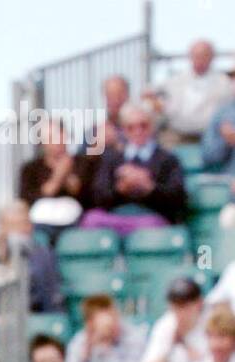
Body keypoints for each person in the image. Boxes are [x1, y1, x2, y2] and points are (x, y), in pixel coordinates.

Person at [80, 104, 187, 233]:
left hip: (150, 218)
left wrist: (150, 188)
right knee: (91, 220)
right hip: (116, 217)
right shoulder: (112, 159)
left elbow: (178, 200)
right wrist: (120, 189)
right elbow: (97, 197)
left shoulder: (168, 159)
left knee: (153, 226)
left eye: (143, 125)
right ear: (124, 130)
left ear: (152, 126)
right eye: (131, 127)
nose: (138, 131)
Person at [144, 40, 234, 148]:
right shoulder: (176, 79)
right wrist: (157, 104)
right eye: (196, 56)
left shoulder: (224, 83)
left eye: (204, 56)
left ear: (212, 57)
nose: (200, 60)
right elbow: (147, 92)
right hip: (177, 134)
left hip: (210, 137)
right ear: (190, 57)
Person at [18, 122, 91, 231]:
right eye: (51, 138)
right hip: (40, 221)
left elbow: (84, 195)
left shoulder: (82, 162)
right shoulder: (30, 168)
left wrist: (67, 174)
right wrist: (58, 176)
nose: (57, 142)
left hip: (72, 221)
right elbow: (28, 199)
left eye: (59, 136)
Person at [138, 275, 208, 362]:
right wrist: (169, 346)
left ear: (199, 303)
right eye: (176, 306)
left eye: (184, 306)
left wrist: (190, 349)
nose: (180, 313)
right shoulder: (165, 326)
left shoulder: (212, 321)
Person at [0, 199, 64, 311]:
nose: (23, 229)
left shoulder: (44, 255)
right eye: (15, 225)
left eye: (26, 223)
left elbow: (51, 298)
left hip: (34, 317)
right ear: (3, 228)